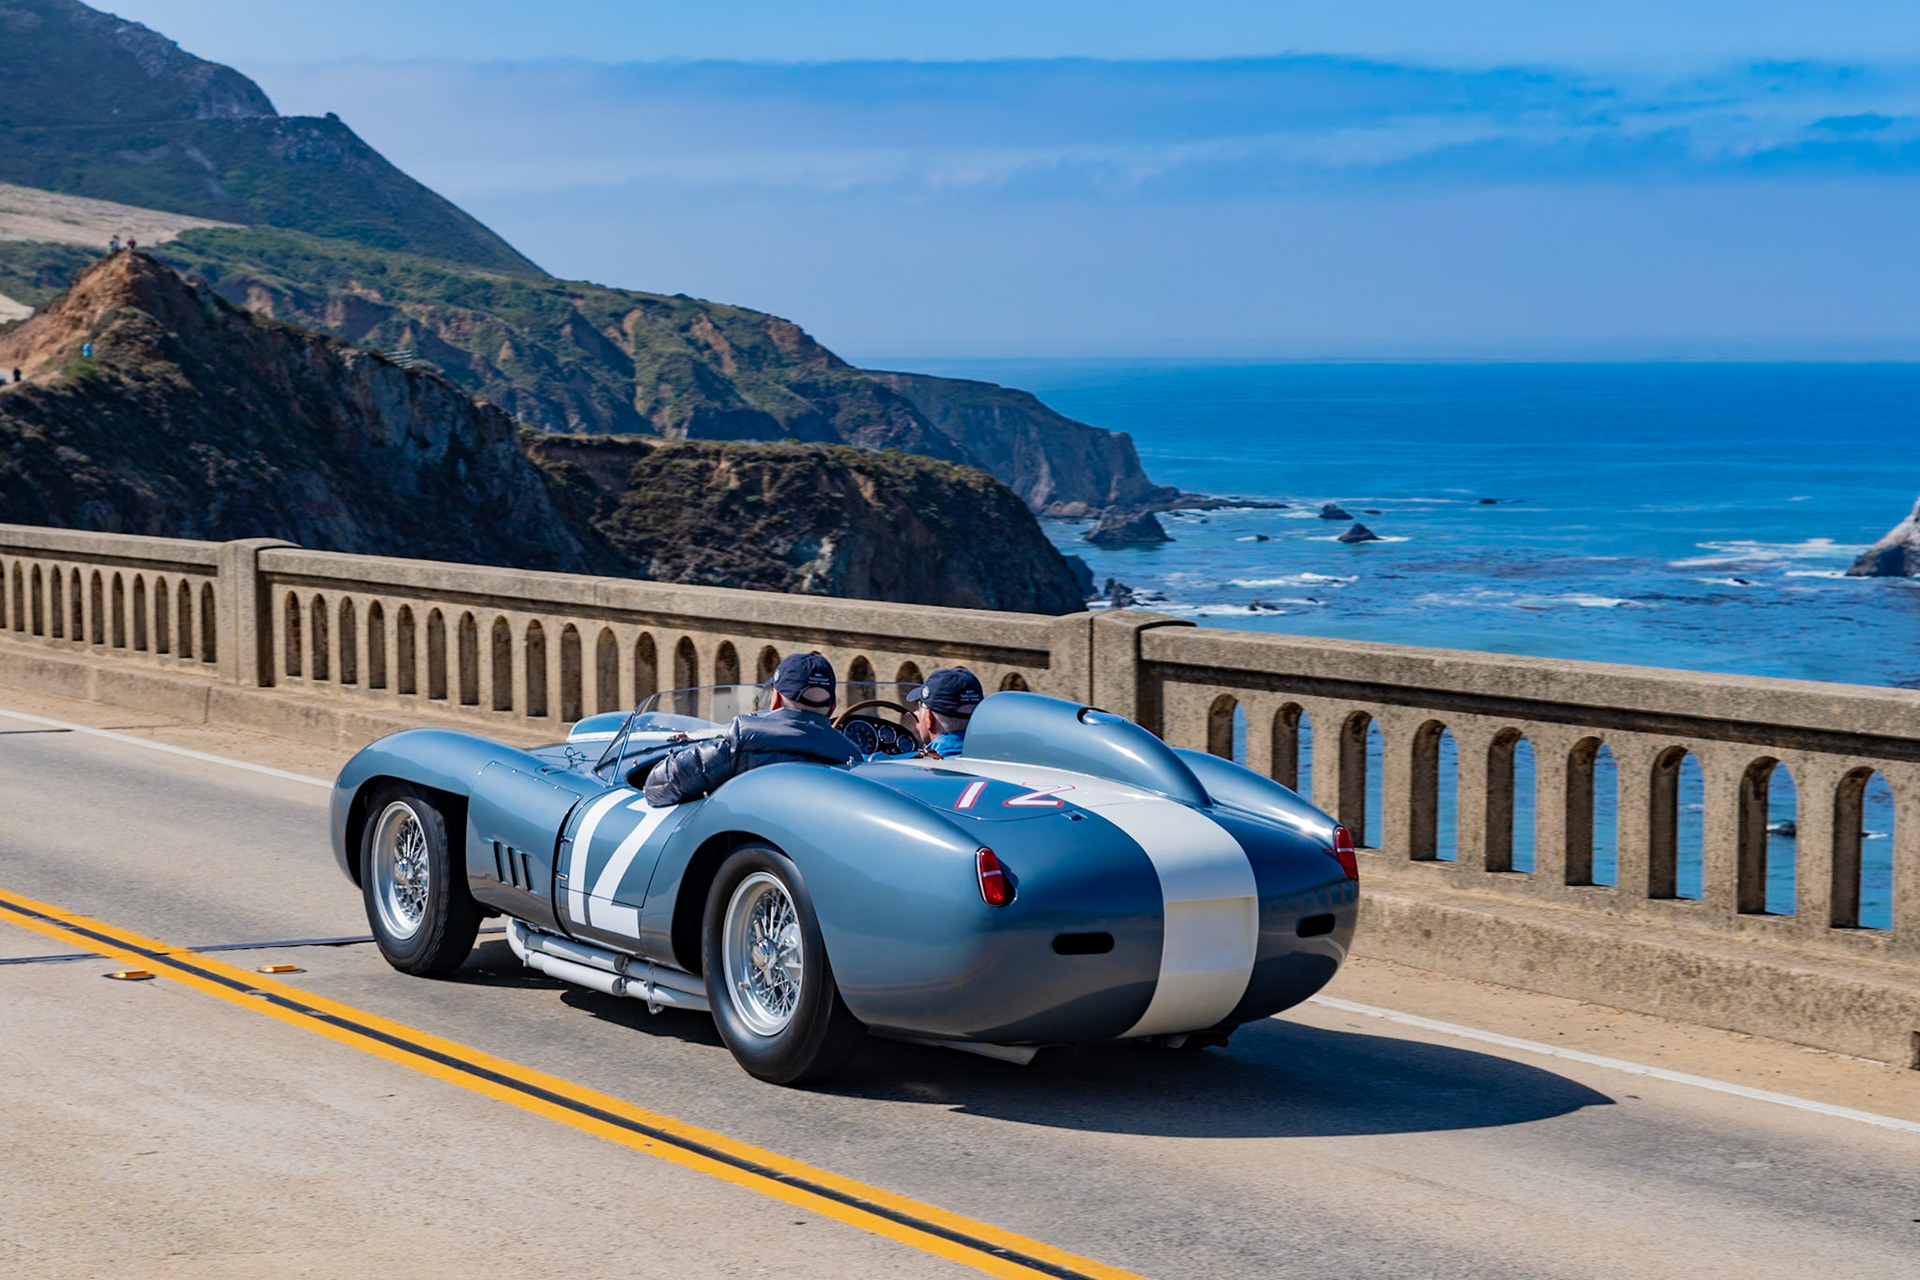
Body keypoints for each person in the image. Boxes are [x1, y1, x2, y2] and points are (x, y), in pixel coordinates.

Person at [643, 651, 859, 805]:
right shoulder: (852, 758)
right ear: (832, 708)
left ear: (776, 700)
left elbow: (657, 787)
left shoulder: (742, 741)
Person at [893, 667, 983, 759]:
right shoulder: (989, 758)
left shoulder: (913, 764)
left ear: (929, 719)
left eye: (919, 706)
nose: (917, 713)